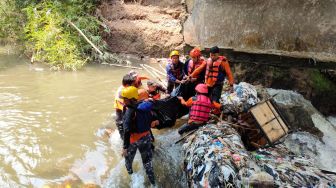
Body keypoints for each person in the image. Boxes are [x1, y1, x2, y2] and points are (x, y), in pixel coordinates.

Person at [121, 86, 156, 185]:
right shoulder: (145, 105)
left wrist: (125, 147)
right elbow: (152, 116)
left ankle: (131, 178)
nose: (123, 100)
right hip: (145, 137)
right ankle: (153, 183)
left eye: (124, 98)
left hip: (133, 140)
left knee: (128, 160)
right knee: (147, 162)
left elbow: (127, 130)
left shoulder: (129, 111)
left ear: (129, 99)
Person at [113, 74, 136, 138]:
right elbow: (124, 106)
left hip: (124, 115)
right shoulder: (121, 92)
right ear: (127, 85)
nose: (133, 86)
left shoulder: (125, 89)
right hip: (121, 119)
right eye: (132, 84)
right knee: (124, 136)